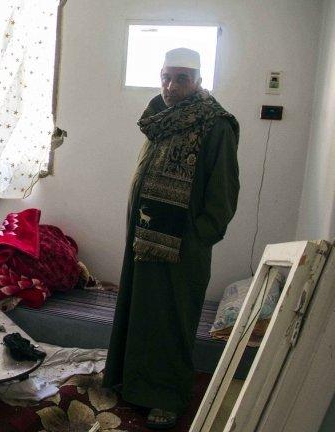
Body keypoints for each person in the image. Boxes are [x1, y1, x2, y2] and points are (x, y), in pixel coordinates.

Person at [102, 48, 240, 429]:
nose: (171, 86)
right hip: (145, 240)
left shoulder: (215, 125)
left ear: (197, 81)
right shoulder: (158, 120)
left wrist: (197, 238)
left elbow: (223, 194)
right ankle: (131, 384)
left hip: (183, 248)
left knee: (171, 321)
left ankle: (166, 397)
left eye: (181, 79)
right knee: (138, 312)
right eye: (165, 76)